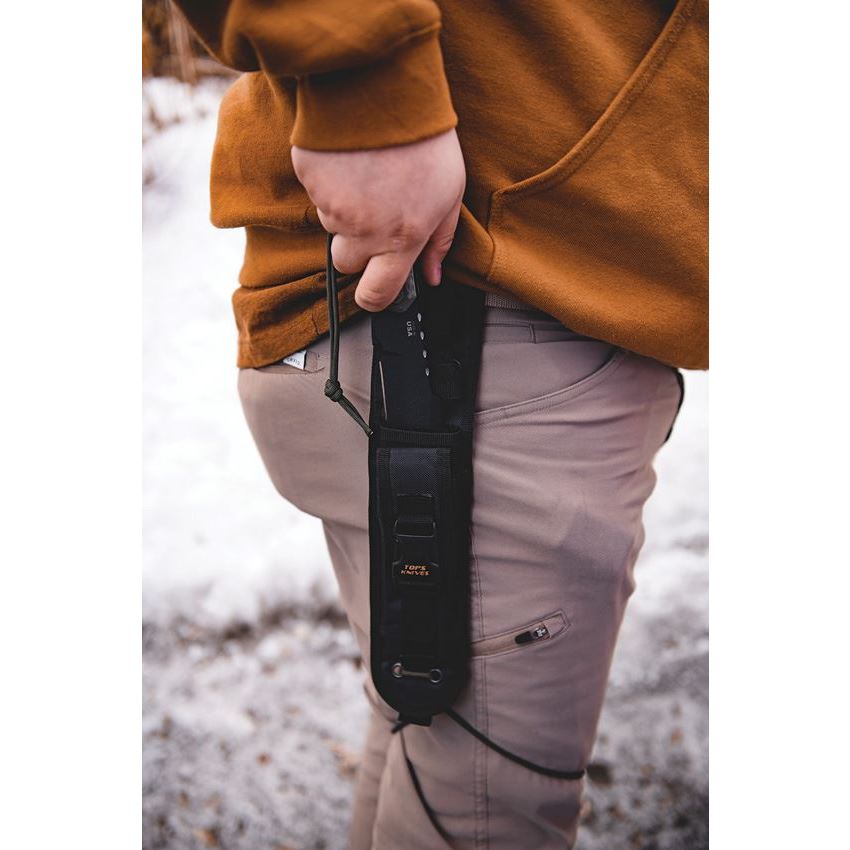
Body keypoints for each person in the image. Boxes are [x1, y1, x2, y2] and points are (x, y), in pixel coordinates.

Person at [172, 1, 707, 846]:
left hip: (491, 310)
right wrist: (367, 88)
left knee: (425, 743)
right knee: (486, 810)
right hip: (474, 308)